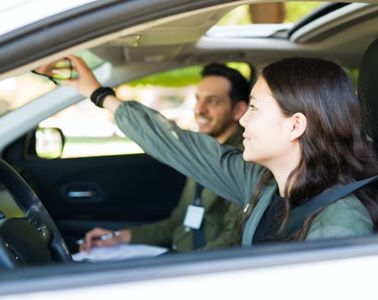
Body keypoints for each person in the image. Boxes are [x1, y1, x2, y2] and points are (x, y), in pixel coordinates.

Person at [65, 55, 378, 246]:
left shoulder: (342, 224)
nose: (242, 119)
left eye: (254, 108)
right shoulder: (260, 182)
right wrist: (99, 94)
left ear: (294, 126)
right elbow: (178, 144)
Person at [76, 63, 249, 252]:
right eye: (198, 99)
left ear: (238, 110)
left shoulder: (243, 161)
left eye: (213, 101)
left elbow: (235, 239)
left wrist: (181, 269)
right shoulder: (205, 150)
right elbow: (177, 223)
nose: (199, 109)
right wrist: (119, 237)